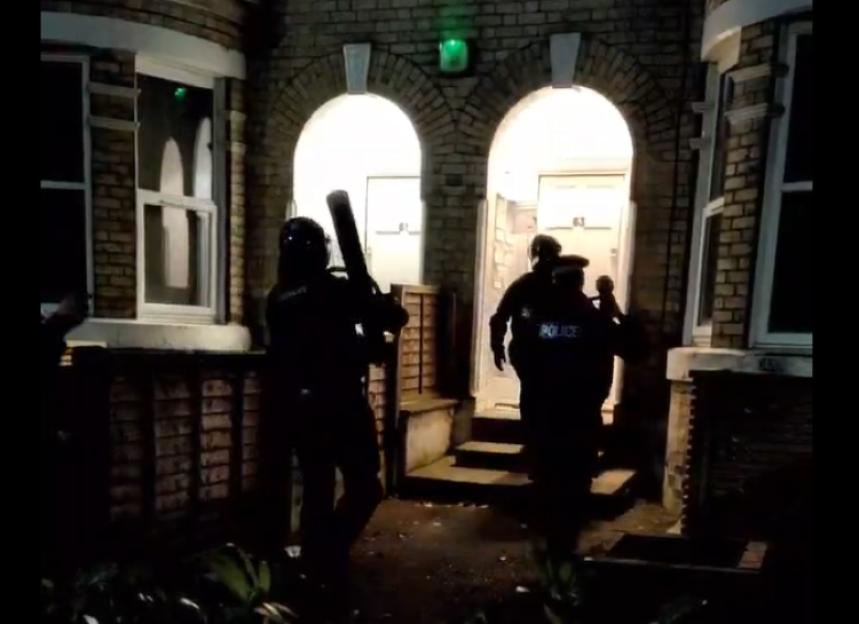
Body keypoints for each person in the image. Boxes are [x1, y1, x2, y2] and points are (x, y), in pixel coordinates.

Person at [263, 216, 407, 622]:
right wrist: (373, 332)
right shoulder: (330, 290)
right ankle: (328, 553)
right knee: (366, 486)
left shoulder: (278, 296)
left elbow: (319, 342)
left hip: (299, 409)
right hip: (338, 403)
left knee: (317, 488)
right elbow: (392, 318)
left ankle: (316, 563)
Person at [514, 256, 646, 621]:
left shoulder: (537, 319)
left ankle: (549, 576)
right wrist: (617, 312)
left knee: (545, 492)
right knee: (572, 497)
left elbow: (519, 356)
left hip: (543, 421)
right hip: (580, 421)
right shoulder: (595, 318)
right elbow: (636, 349)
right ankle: (565, 578)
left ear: (555, 282)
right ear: (580, 281)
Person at [489, 234, 562, 427]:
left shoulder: (553, 286)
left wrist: (497, 346)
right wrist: (497, 346)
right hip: (531, 351)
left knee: (536, 394)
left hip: (541, 351)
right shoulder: (530, 285)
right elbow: (500, 317)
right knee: (535, 394)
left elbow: (500, 317)